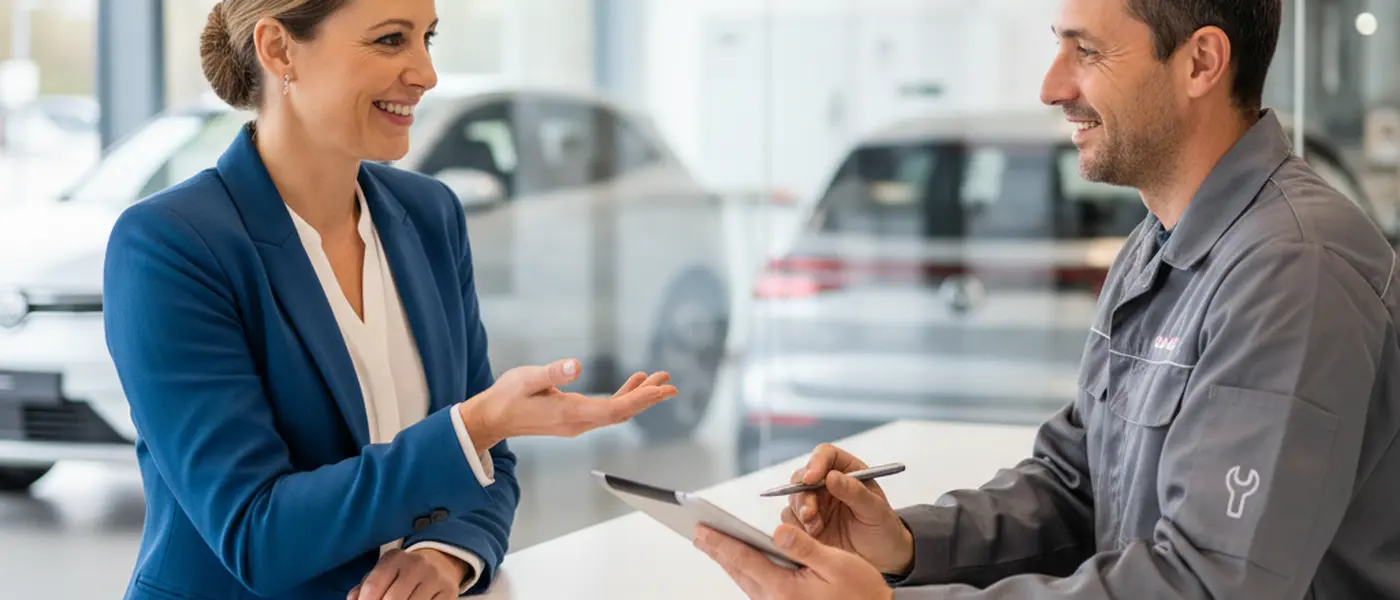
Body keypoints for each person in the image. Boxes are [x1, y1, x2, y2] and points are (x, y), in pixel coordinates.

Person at [695, 0, 1400, 598]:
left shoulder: (1295, 269)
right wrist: (906, 545)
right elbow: (1074, 490)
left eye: (1086, 52)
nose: (1051, 86)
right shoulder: (1157, 245)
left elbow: (1208, 583)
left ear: (1201, 63)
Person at [102, 1, 679, 599]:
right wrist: (476, 425)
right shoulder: (171, 245)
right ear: (278, 49)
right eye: (388, 40)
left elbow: (488, 472)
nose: (425, 72)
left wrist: (446, 555)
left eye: (427, 38)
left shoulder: (430, 215)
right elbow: (257, 533)